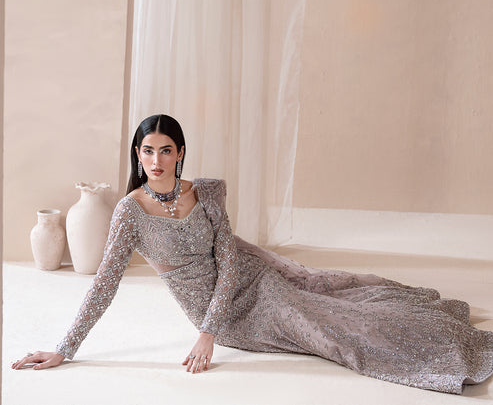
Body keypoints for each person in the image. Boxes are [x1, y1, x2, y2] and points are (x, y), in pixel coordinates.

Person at [12, 114, 493, 392]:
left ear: (180, 152)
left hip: (249, 279)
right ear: (137, 155)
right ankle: (455, 356)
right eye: (147, 151)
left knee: (335, 300)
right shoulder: (129, 212)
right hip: (224, 314)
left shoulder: (205, 193)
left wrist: (206, 334)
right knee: (331, 332)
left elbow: (229, 259)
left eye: (165, 150)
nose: (156, 161)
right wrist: (65, 349)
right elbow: (104, 285)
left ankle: (449, 335)